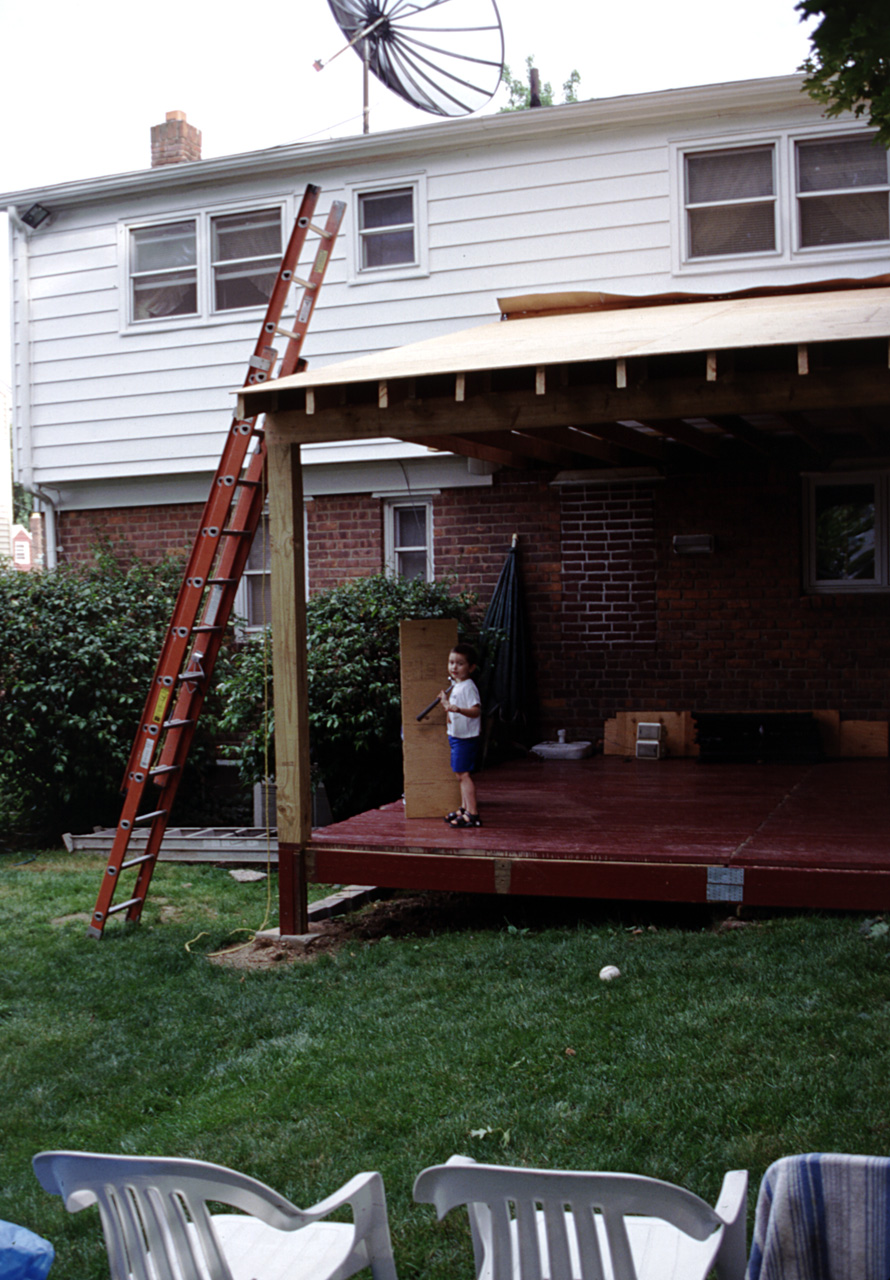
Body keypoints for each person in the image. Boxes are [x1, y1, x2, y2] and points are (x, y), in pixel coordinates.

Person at [439, 643, 482, 828]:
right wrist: (446, 704)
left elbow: (475, 711)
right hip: (456, 736)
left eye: (460, 663)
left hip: (466, 737)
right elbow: (452, 710)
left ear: (471, 667)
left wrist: (457, 709)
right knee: (459, 774)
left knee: (463, 774)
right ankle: (464, 809)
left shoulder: (468, 687)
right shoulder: (457, 685)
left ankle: (473, 813)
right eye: (451, 663)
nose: (454, 667)